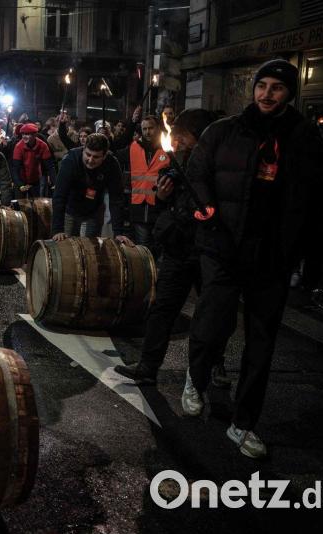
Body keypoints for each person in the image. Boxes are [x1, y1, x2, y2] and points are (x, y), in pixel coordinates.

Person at [183, 59, 323, 459]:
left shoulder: (305, 139)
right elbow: (197, 174)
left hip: (273, 257)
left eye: (277, 88)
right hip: (223, 247)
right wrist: (207, 209)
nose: (267, 94)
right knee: (212, 322)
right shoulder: (223, 131)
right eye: (262, 86)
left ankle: (244, 422)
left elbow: (321, 197)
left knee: (262, 345)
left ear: (290, 93)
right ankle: (195, 377)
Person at [115, 109, 237, 387]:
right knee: (162, 309)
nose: (177, 142)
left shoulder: (219, 165)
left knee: (213, 314)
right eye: (176, 136)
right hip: (179, 247)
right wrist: (162, 195)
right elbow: (167, 205)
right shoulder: (178, 162)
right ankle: (147, 367)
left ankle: (216, 367)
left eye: (182, 137)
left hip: (209, 251)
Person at [51, 133, 132, 245]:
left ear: (104, 156)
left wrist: (118, 232)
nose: (90, 160)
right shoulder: (70, 160)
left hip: (94, 211)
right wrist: (57, 230)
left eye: (96, 157)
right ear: (83, 149)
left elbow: (116, 199)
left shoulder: (111, 163)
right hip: (70, 209)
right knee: (65, 247)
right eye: (88, 154)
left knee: (91, 249)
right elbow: (59, 195)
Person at [116, 115, 171, 250]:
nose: (147, 132)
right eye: (144, 129)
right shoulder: (134, 147)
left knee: (160, 245)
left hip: (160, 205)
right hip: (139, 206)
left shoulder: (168, 148)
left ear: (158, 128)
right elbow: (115, 150)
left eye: (150, 128)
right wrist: (131, 123)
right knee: (143, 247)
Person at [11, 123, 55, 198]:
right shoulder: (19, 146)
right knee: (20, 204)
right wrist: (20, 185)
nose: (24, 136)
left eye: (28, 134)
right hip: (21, 179)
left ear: (35, 135)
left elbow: (50, 166)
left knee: (35, 203)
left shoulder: (42, 145)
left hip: (35, 179)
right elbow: (15, 168)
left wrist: (54, 182)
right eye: (23, 134)